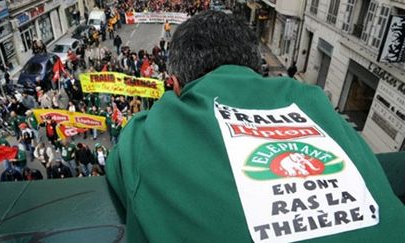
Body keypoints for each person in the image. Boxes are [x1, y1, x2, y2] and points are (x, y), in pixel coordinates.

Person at [105, 11, 405, 242]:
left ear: (175, 85)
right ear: (257, 67)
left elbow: (121, 168)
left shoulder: (151, 129)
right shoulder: (312, 100)